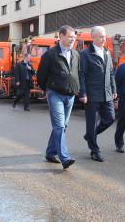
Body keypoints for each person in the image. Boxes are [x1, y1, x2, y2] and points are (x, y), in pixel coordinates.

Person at [37, 25, 79, 170]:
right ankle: (64, 157)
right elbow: (40, 76)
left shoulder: (76, 54)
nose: (72, 40)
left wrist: (78, 90)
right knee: (60, 126)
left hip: (70, 95)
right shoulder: (50, 55)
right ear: (61, 36)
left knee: (62, 126)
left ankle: (50, 152)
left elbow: (78, 74)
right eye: (70, 37)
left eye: (74, 37)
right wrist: (48, 89)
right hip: (55, 94)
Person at [79, 26, 117, 162]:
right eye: (101, 36)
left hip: (106, 93)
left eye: (105, 36)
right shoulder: (85, 54)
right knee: (91, 123)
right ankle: (94, 150)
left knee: (110, 118)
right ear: (93, 37)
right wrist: (83, 93)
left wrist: (114, 90)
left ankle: (90, 135)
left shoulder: (107, 52)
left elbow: (111, 73)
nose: (104, 38)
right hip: (92, 94)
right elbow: (81, 75)